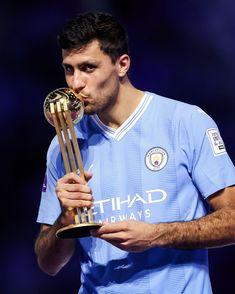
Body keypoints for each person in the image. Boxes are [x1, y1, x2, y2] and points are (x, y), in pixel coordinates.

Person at [35, 11, 235, 294]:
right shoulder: (63, 144)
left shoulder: (185, 122)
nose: (75, 84)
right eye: (69, 69)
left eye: (88, 68)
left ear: (122, 65)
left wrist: (156, 235)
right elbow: (48, 263)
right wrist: (65, 220)